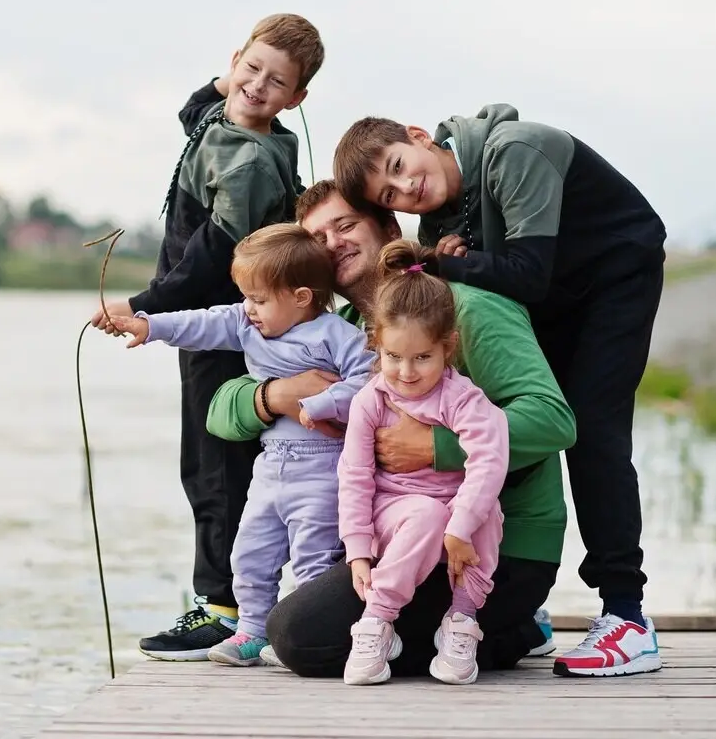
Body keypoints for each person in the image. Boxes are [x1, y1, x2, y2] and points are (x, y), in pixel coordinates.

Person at [333, 106, 667, 676]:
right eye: (390, 195)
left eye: (398, 165)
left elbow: (527, 273)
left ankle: (627, 616)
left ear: (418, 137)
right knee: (507, 402)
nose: (406, 187)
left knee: (589, 428)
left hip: (616, 275)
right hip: (555, 298)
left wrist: (450, 264)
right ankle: (523, 606)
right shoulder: (441, 220)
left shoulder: (514, 150)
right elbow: (467, 283)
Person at [206, 180, 576, 678]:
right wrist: (271, 396)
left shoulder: (466, 308)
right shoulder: (341, 329)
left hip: (494, 540)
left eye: (345, 225)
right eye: (317, 237)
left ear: (387, 227)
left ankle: (501, 627)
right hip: (394, 528)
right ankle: (466, 630)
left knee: (300, 637)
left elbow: (554, 419)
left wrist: (434, 446)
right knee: (294, 622)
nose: (332, 243)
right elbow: (220, 415)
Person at [90, 14, 324, 660]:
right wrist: (232, 80)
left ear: (296, 99)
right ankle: (239, 598)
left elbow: (211, 258)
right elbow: (197, 104)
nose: (256, 86)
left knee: (215, 468)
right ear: (234, 62)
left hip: (226, 326)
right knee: (212, 463)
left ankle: (223, 606)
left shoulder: (248, 162)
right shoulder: (222, 119)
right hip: (214, 323)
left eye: (276, 82)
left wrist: (143, 307)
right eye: (250, 69)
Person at [109, 223, 375, 666]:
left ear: (302, 297)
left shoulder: (335, 335)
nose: (248, 308)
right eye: (246, 296)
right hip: (270, 466)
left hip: (323, 469)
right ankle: (252, 630)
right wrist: (149, 325)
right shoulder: (246, 324)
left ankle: (313, 633)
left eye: (259, 298)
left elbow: (368, 385)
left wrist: (322, 401)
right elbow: (200, 322)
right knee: (248, 551)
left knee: (315, 557)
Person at [338, 239, 509, 686]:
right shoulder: (369, 401)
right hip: (396, 512)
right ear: (376, 344)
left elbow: (489, 460)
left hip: (457, 516)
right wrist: (358, 551)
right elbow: (354, 478)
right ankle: (377, 619)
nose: (407, 372)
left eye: (422, 358)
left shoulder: (463, 399)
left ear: (448, 347)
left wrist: (461, 526)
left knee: (486, 510)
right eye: (393, 357)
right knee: (426, 513)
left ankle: (461, 620)